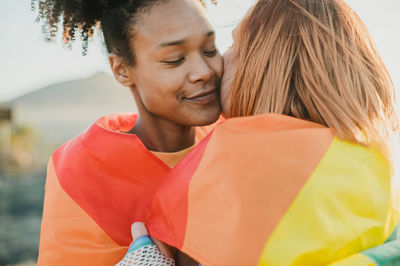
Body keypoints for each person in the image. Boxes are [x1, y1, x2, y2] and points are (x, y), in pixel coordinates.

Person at [124, 0, 400, 265]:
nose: (217, 65)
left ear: (265, 63)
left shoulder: (231, 168)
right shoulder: (375, 167)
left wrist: (147, 261)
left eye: (234, 45)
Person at [34, 0, 223, 265]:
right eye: (175, 60)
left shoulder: (238, 134)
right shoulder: (81, 173)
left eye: (210, 49)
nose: (204, 71)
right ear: (122, 70)